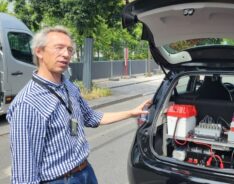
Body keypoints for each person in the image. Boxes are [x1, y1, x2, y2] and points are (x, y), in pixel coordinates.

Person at [6, 26, 151, 184]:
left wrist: (132, 112)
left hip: (85, 172)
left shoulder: (68, 86)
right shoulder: (27, 103)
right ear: (39, 52)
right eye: (59, 48)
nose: (66, 54)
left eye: (69, 50)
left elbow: (92, 117)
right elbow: (24, 175)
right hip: (59, 180)